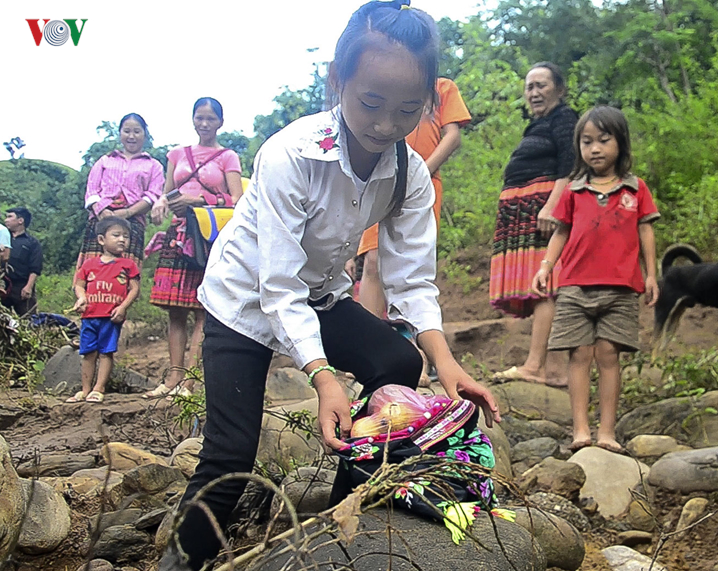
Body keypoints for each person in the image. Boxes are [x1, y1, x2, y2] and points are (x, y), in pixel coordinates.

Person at [156, 3, 500, 569]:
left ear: (429, 103)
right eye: (370, 104)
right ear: (337, 81)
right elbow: (277, 289)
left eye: (407, 111)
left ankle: (339, 520)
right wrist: (323, 379)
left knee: (395, 361)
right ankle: (179, 561)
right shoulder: (291, 154)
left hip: (318, 294)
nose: (386, 125)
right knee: (230, 452)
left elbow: (411, 279)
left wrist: (447, 363)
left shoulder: (409, 171)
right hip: (244, 299)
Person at [532, 106, 659, 453]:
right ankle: (580, 431)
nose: (595, 149)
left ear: (621, 143)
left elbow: (645, 230)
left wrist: (651, 275)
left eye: (604, 140)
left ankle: (607, 431)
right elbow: (561, 232)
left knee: (608, 354)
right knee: (580, 354)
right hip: (575, 286)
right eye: (587, 142)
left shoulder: (636, 188)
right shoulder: (574, 191)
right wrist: (545, 267)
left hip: (621, 288)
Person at [144, 98, 243, 399]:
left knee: (202, 310)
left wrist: (198, 201)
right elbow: (164, 193)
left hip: (209, 236)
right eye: (199, 118)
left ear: (220, 122)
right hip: (178, 233)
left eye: (210, 119)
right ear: (192, 120)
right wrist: (161, 203)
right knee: (175, 310)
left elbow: (237, 200)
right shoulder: (177, 154)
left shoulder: (228, 157)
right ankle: (172, 378)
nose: (204, 124)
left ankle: (190, 381)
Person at [490, 62, 578, 387]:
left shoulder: (564, 118)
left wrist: (552, 206)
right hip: (526, 213)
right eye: (529, 87)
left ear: (559, 89)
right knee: (544, 288)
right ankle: (554, 371)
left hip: (542, 212)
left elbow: (570, 164)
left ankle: (534, 366)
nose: (534, 92)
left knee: (546, 288)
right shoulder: (540, 123)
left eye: (541, 85)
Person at [356, 77, 471, 317]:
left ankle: (414, 339)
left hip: (424, 185)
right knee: (373, 261)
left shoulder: (442, 87)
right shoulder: (387, 86)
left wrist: (421, 173)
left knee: (412, 264)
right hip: (381, 181)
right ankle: (369, 343)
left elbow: (453, 136)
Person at [77, 113, 165, 275]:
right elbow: (91, 191)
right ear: (120, 133)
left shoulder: (154, 166)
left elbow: (152, 195)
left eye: (137, 131)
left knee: (125, 275)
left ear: (145, 135)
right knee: (92, 272)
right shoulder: (105, 160)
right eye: (127, 131)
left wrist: (127, 212)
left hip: (133, 222)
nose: (131, 136)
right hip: (101, 220)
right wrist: (102, 212)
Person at [66, 217, 141, 404]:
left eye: (126, 236)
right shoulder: (89, 264)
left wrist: (123, 307)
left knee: (106, 352)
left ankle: (99, 388)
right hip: (90, 315)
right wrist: (82, 298)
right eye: (116, 235)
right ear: (101, 239)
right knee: (88, 352)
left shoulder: (128, 265)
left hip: (111, 317)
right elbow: (79, 285)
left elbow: (135, 289)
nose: (122, 239)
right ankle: (85, 389)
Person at [2, 207, 42, 316]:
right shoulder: (3, 238)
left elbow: (35, 267)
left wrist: (28, 287)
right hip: (3, 284)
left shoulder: (32, 243)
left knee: (29, 320)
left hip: (22, 285)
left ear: (20, 220)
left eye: (10, 217)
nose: (6, 220)